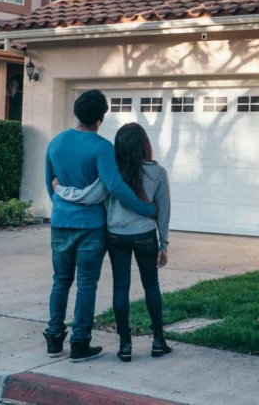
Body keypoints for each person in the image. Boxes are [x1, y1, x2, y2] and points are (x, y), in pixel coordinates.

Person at [44, 90, 156, 363]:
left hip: (60, 223)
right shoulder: (102, 147)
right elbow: (115, 186)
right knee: (85, 284)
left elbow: (50, 184)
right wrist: (146, 209)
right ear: (101, 118)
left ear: (77, 113)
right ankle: (80, 343)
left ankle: (54, 339)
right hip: (91, 226)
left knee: (60, 281)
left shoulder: (55, 143)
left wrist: (63, 210)